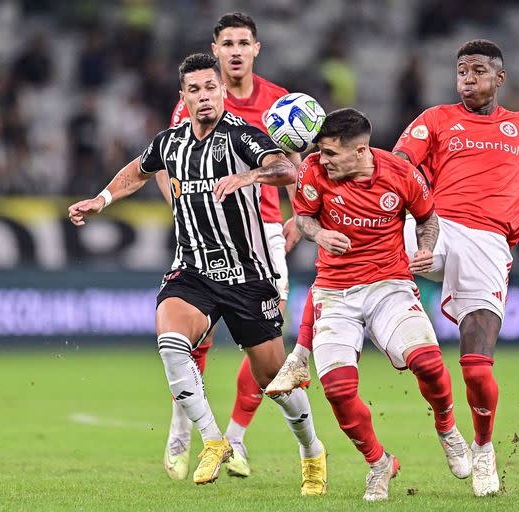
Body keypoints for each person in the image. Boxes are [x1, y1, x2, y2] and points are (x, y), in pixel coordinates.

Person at [273, 39, 519, 497]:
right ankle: (302, 353)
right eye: (462, 71)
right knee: (349, 250)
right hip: (433, 223)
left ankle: (481, 448)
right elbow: (393, 166)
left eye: (478, 71)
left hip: (487, 243)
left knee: (476, 368)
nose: (468, 79)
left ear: (500, 78)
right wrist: (316, 205)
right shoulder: (435, 119)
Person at [68, 53, 327, 494]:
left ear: (222, 91)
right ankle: (212, 440)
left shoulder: (242, 136)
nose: (204, 96)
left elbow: (288, 167)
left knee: (275, 381)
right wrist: (102, 199)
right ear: (183, 96)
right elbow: (137, 170)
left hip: (248, 275)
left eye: (211, 87)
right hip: (194, 271)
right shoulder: (170, 143)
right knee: (170, 342)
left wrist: (249, 178)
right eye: (195, 90)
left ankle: (311, 452)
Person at [154, 12, 307, 480]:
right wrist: (183, 206)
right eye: (227, 43)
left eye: (244, 42)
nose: (236, 50)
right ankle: (187, 430)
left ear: (256, 49)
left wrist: (299, 214)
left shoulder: (280, 102)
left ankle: (235, 438)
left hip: (263, 232)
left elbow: (297, 160)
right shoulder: (196, 99)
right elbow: (164, 160)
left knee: (264, 345)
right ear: (215, 49)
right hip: (204, 232)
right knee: (190, 333)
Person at [294, 108, 470, 501]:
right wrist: (320, 234)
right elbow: (303, 218)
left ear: (360, 151)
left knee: (427, 361)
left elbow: (428, 219)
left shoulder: (402, 174)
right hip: (335, 292)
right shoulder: (312, 170)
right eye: (321, 153)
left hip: (389, 285)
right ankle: (379, 462)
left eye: (330, 154)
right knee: (338, 390)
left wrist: (425, 248)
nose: (322, 160)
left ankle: (448, 429)